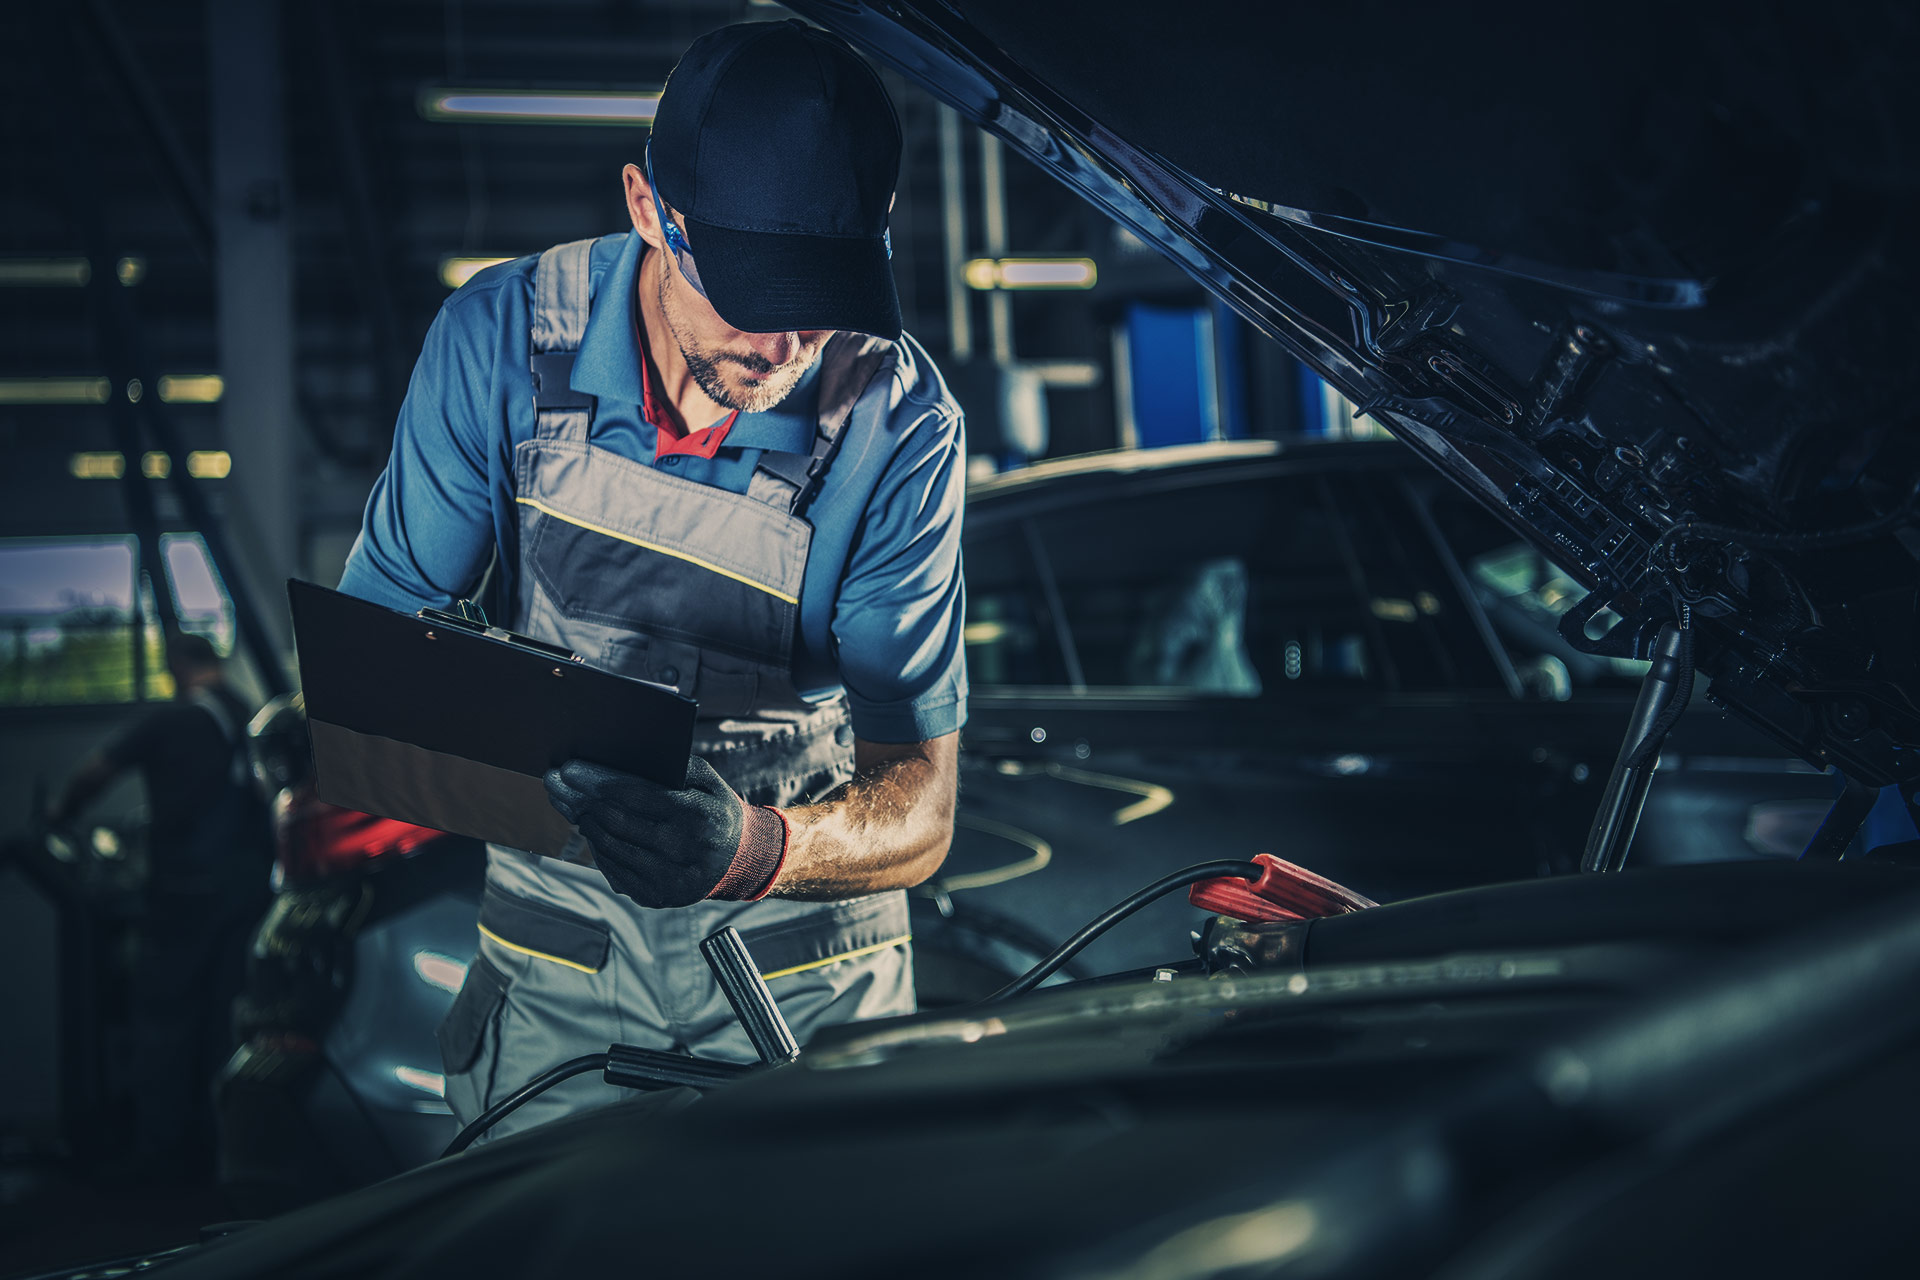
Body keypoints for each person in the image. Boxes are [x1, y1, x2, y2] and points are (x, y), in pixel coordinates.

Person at [338, 20, 966, 1139]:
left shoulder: (897, 423)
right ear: (648, 210)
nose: (782, 350)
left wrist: (759, 849)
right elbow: (378, 676)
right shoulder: (499, 343)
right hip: (557, 973)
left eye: (816, 298)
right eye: (748, 293)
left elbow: (920, 806)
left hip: (808, 980)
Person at [49, 630, 273, 1172]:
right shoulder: (246, 714)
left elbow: (94, 774)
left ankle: (160, 1153)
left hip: (184, 894)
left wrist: (59, 817)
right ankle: (226, 1149)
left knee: (164, 1017)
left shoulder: (172, 719)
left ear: (177, 664)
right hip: (246, 890)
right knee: (228, 1018)